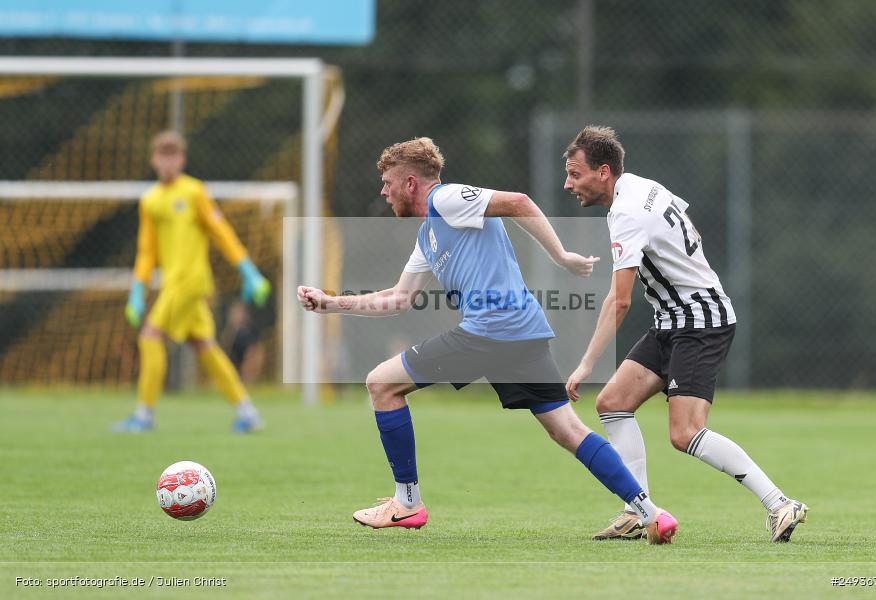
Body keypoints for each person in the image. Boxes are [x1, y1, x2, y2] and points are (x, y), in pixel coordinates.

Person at [297, 137, 679, 543]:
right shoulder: (428, 235)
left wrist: (562, 257)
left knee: (381, 383)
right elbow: (399, 298)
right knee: (567, 429)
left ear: (411, 182)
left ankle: (407, 503)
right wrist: (330, 303)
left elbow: (519, 201)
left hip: (491, 331)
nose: (383, 191)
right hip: (522, 333)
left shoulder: (446, 199)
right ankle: (650, 511)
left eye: (388, 182)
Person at [562, 125, 807, 542]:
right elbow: (694, 232)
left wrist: (586, 363)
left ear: (604, 172)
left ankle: (780, 504)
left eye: (575, 174)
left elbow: (618, 301)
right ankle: (637, 511)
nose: (569, 184)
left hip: (700, 321)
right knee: (614, 402)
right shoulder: (642, 186)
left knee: (685, 432)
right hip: (674, 319)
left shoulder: (625, 212)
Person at [114, 130, 269, 433]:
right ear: (154, 159)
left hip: (191, 280)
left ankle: (144, 415)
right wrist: (137, 291)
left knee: (149, 336)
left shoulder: (194, 192)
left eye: (174, 155)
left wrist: (248, 270)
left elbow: (220, 232)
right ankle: (248, 412)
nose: (168, 161)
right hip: (174, 283)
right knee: (205, 345)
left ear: (182, 159)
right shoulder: (150, 201)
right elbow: (147, 251)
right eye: (163, 155)